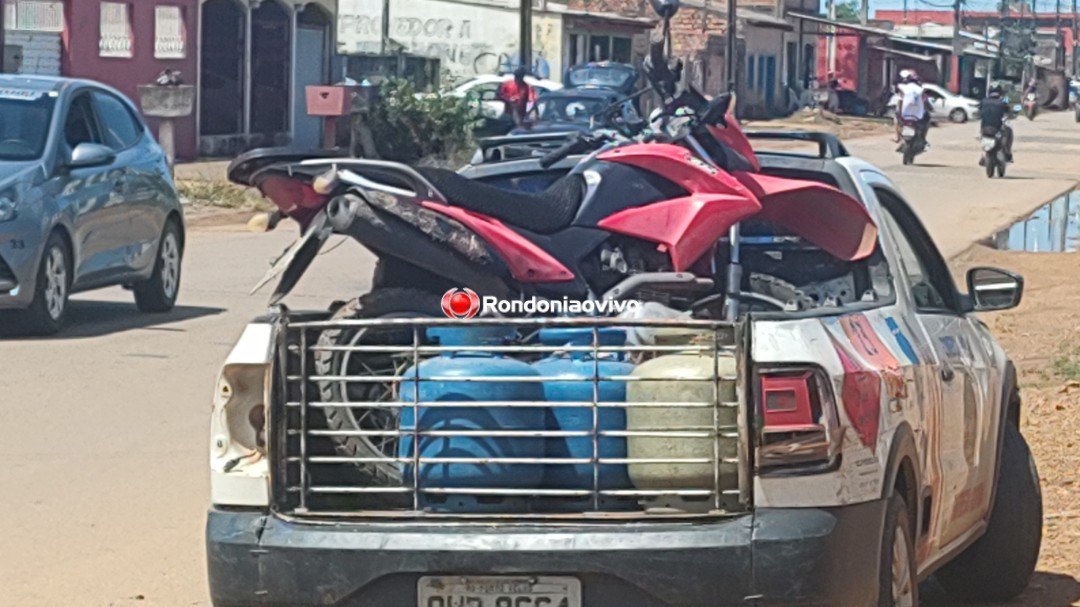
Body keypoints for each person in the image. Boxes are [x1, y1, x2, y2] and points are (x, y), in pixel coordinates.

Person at [894, 69, 932, 147]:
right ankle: (923, 138)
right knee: (927, 120)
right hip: (917, 116)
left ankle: (897, 137)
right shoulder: (920, 90)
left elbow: (900, 101)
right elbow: (926, 103)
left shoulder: (902, 88)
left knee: (896, 119)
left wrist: (899, 113)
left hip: (905, 115)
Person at [979, 84, 1015, 163]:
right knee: (1008, 133)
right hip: (997, 128)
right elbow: (1009, 113)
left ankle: (982, 155)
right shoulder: (1002, 102)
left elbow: (978, 111)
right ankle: (1008, 153)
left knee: (982, 138)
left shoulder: (983, 101)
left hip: (984, 128)